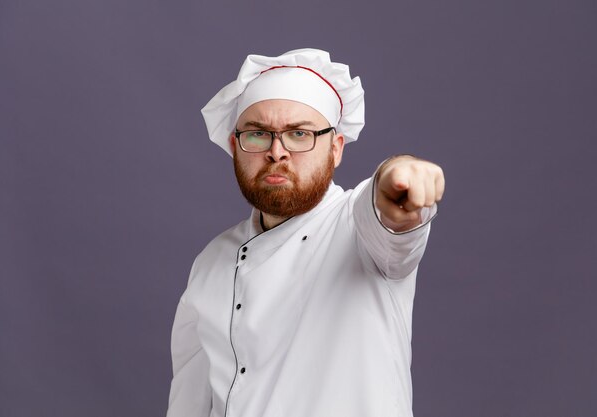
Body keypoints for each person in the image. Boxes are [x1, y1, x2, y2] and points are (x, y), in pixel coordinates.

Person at [166, 48, 445, 417]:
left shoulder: (358, 229)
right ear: (235, 147)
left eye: (299, 133)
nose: (277, 151)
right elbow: (189, 402)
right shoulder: (211, 262)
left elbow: (389, 216)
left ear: (336, 148)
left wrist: (400, 176)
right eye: (258, 134)